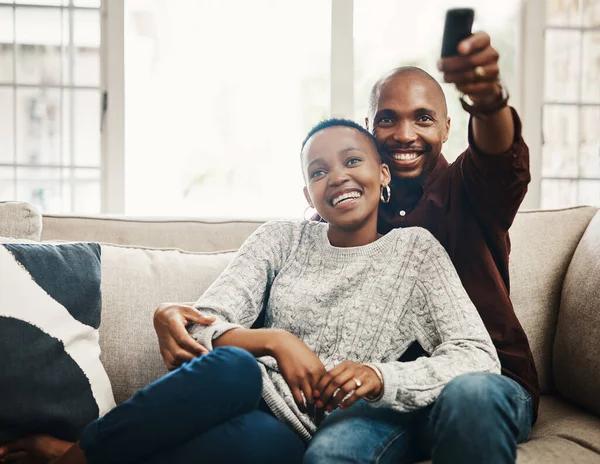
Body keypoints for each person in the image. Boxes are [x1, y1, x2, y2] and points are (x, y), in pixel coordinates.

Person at [0, 118, 501, 464]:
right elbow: (203, 323)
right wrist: (275, 341)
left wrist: (379, 375)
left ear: (383, 175)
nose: (338, 177)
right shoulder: (280, 238)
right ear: (308, 194)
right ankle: (79, 458)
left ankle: (74, 452)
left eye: (353, 161)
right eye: (319, 171)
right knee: (236, 366)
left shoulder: (416, 251)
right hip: (245, 388)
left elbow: (475, 354)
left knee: (264, 452)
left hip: (298, 429)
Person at [156, 31, 539, 464]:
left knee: (470, 394)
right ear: (371, 129)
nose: (404, 133)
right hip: (371, 403)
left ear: (448, 127)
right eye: (388, 119)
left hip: (473, 382)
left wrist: (487, 101)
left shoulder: (466, 187)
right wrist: (185, 316)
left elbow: (498, 155)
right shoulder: (329, 221)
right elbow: (233, 313)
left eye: (423, 118)